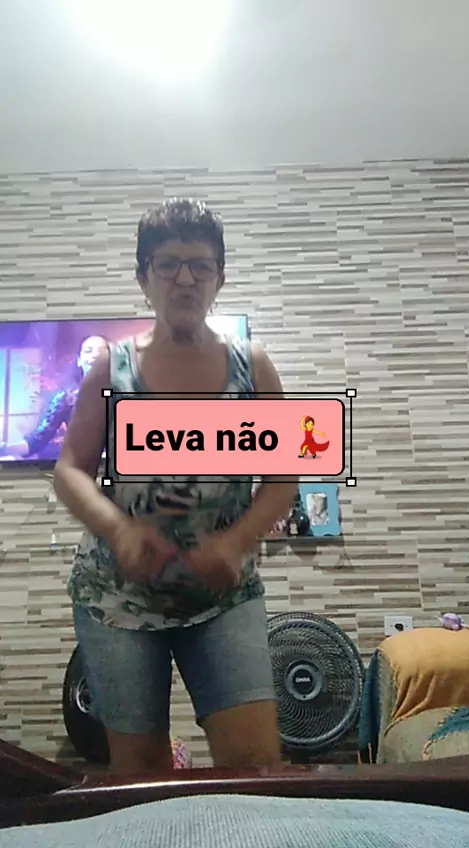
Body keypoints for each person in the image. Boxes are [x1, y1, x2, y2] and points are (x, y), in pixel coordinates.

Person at [53, 199, 298, 776]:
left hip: (223, 597)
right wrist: (118, 530)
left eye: (200, 265)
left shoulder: (253, 367)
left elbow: (283, 479)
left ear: (219, 278)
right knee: (141, 776)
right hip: (117, 600)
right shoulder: (110, 369)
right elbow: (70, 470)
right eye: (167, 265)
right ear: (144, 279)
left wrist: (235, 542)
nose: (185, 279)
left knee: (256, 767)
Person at [2, 335, 107, 460]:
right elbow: (36, 441)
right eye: (88, 351)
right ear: (79, 361)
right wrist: (5, 448)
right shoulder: (66, 398)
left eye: (102, 351)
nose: (95, 355)